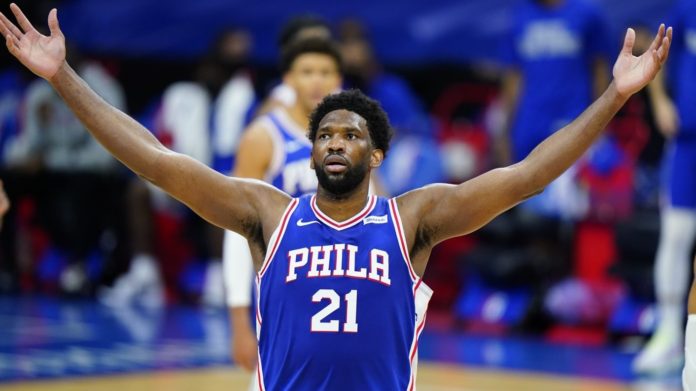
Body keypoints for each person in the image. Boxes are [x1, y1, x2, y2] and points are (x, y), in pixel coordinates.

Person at [0, 4, 671, 389]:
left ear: (375, 153)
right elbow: (153, 158)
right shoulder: (268, 212)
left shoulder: (414, 217)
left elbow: (526, 175)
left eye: (350, 133)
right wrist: (62, 78)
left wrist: (614, 96)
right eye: (325, 133)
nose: (335, 141)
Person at [222, 37, 342, 373]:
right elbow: (237, 228)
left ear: (338, 80)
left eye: (325, 72)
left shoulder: (351, 137)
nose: (317, 80)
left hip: (342, 287)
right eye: (307, 72)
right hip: (283, 290)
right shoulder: (264, 137)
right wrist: (238, 319)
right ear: (288, 80)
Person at [633, 1, 696, 375]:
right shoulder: (687, 8)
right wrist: (659, 102)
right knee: (676, 236)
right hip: (687, 145)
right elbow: (655, 48)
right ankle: (669, 334)